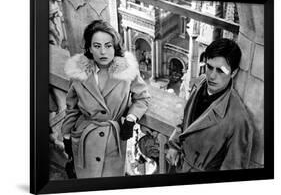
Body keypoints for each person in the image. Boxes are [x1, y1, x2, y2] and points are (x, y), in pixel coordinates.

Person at [61, 20, 150, 178]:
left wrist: (131, 118)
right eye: (97, 46)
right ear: (89, 48)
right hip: (85, 139)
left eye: (108, 46)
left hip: (113, 142)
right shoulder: (78, 73)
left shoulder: (127, 71)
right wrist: (67, 136)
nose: (103, 52)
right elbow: (72, 109)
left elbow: (142, 98)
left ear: (114, 47)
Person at [166, 38, 254, 172]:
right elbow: (186, 121)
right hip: (178, 166)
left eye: (220, 71)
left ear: (233, 73)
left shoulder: (239, 120)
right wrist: (174, 145)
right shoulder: (200, 83)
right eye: (209, 67)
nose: (212, 76)